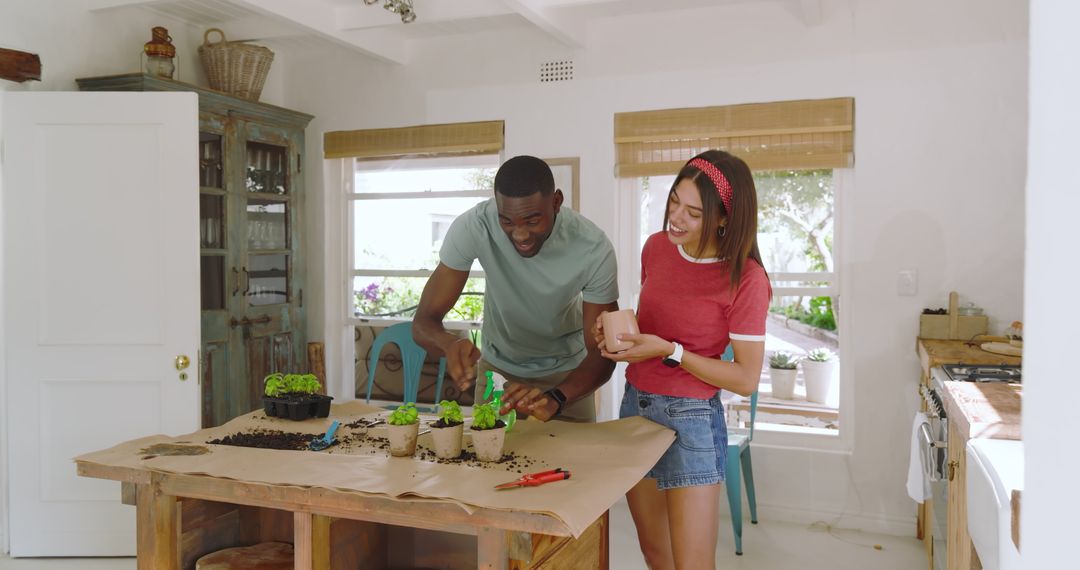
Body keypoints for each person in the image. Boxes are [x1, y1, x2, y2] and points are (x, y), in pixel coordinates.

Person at [595, 150, 771, 569]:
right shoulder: (656, 248)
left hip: (692, 421)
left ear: (724, 219)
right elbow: (655, 320)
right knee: (656, 555)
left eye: (693, 212)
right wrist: (616, 332)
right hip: (636, 408)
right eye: (674, 201)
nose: (676, 217)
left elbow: (745, 379)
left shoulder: (745, 278)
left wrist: (670, 351)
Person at [412, 155, 619, 422]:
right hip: (497, 373)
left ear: (556, 202)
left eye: (532, 221)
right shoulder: (475, 226)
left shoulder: (593, 247)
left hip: (568, 375)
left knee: (574, 464)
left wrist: (557, 397)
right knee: (486, 461)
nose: (519, 235)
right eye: (507, 222)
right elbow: (422, 323)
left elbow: (602, 352)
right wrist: (448, 344)